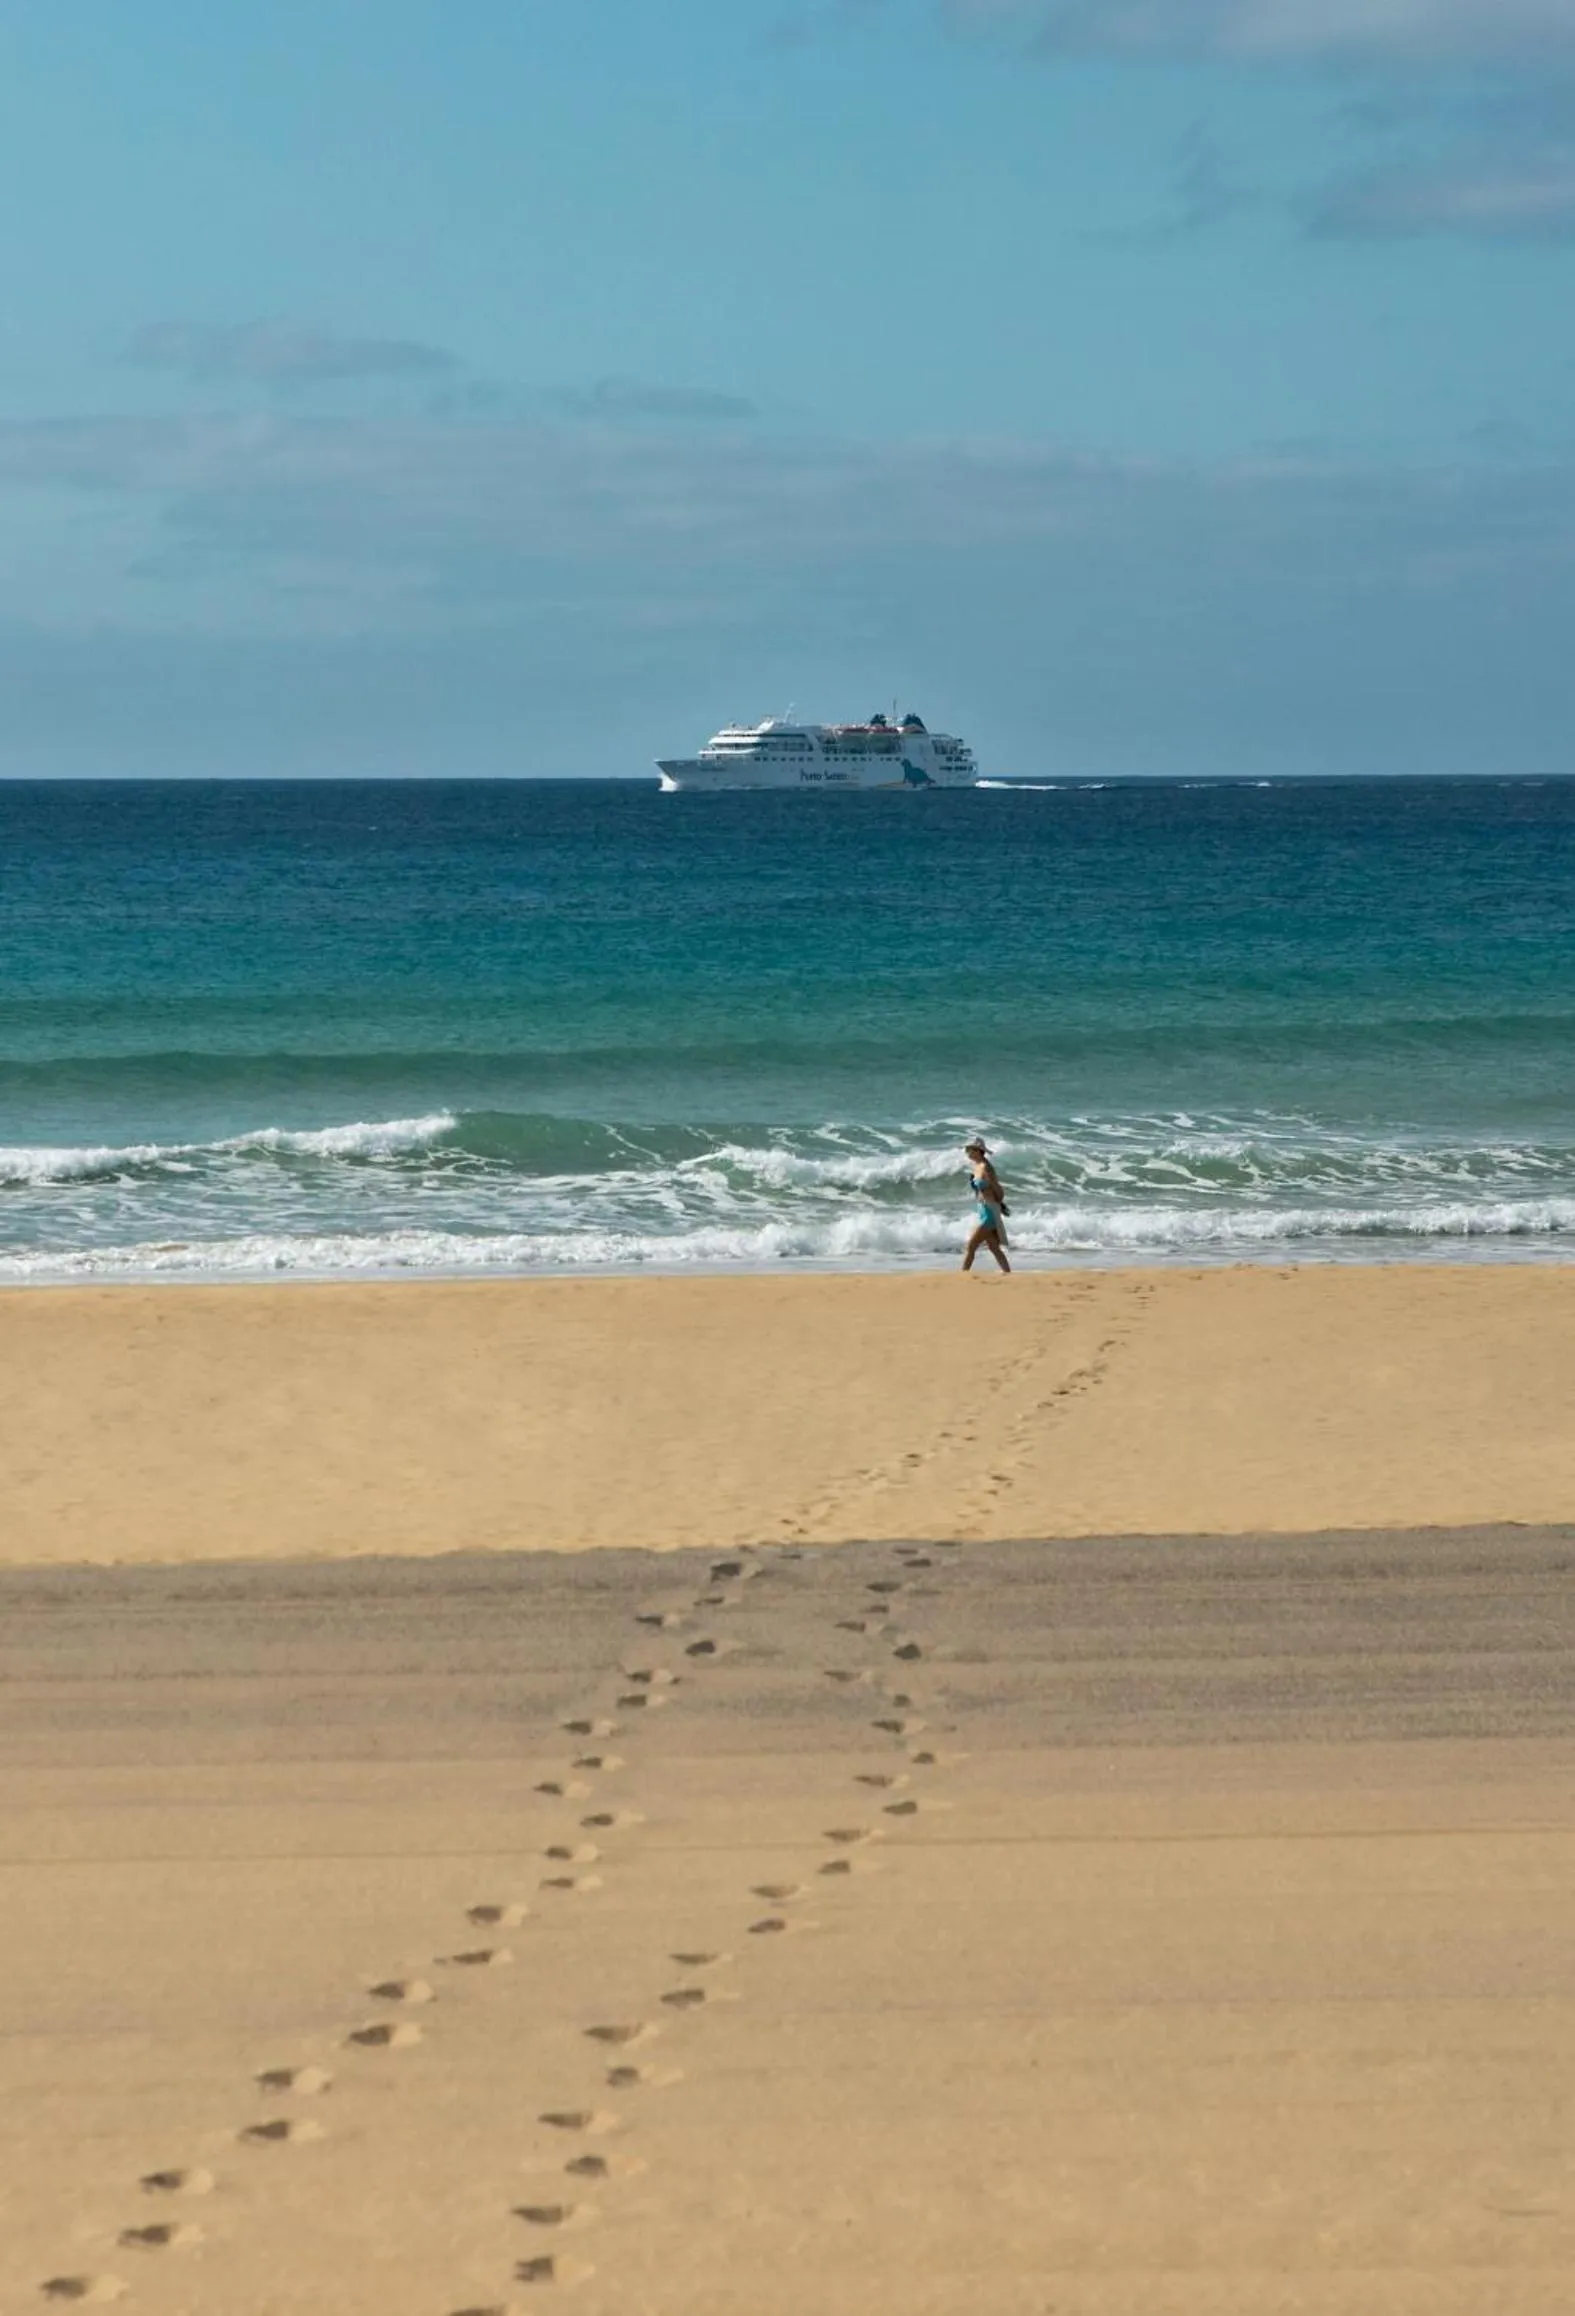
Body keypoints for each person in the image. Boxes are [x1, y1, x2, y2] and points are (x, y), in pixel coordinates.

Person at [962, 1137, 1011, 1274]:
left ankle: (962, 1276)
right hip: (983, 1209)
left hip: (989, 1211)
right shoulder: (976, 1167)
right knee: (994, 1248)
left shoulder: (986, 1168)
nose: (967, 1152)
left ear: (978, 1151)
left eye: (969, 1149)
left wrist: (997, 1201)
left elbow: (1000, 1193)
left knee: (971, 1245)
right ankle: (1008, 1274)